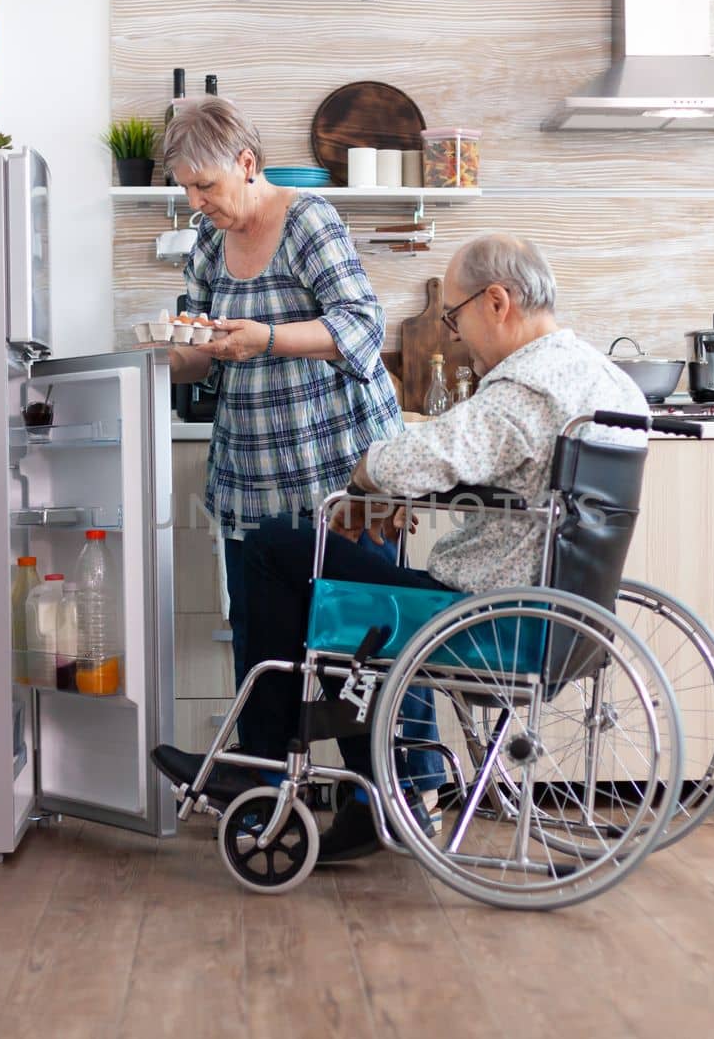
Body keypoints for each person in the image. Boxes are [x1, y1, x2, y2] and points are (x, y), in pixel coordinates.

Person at [153, 233, 650, 864]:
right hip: (556, 615)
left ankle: (273, 771)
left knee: (279, 547)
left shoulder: (527, 388)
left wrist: (366, 483)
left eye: (456, 315)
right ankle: (368, 792)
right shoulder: (603, 379)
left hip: (482, 616)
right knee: (327, 582)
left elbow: (410, 457)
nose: (455, 333)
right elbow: (503, 470)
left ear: (496, 302)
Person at [159, 96, 406, 752]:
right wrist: (160, 355)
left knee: (359, 648)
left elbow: (362, 326)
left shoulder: (309, 222)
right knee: (262, 649)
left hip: (341, 474)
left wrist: (265, 338)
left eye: (204, 185)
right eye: (185, 188)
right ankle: (264, 790)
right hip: (254, 475)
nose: (195, 202)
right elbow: (201, 355)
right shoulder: (210, 241)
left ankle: (379, 797)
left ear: (246, 163)